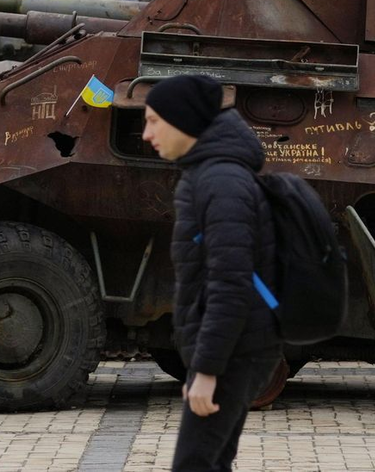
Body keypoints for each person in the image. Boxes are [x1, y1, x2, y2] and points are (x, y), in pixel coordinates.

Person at [143, 76, 281, 472]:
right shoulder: (210, 175)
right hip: (235, 349)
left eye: (154, 121)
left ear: (183, 120)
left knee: (195, 465)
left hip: (235, 352)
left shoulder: (221, 182)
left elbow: (230, 283)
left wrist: (207, 371)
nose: (146, 134)